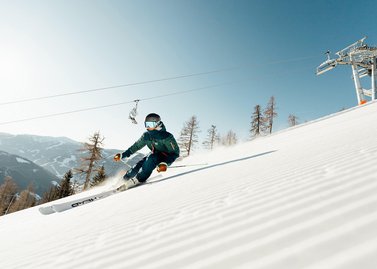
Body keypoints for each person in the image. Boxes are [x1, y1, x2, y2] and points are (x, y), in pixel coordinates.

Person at [113, 113, 180, 189]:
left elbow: (175, 153)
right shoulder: (146, 136)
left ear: (157, 124)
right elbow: (136, 146)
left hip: (164, 157)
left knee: (151, 159)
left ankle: (138, 179)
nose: (148, 127)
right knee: (137, 166)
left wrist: (166, 163)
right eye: (146, 124)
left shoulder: (167, 137)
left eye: (150, 125)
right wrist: (123, 155)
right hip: (153, 154)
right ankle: (123, 180)